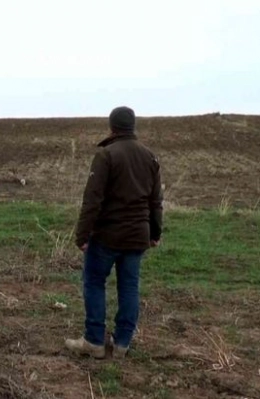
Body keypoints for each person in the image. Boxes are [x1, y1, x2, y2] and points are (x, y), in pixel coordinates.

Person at [66, 106, 163, 359]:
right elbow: (155, 201)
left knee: (95, 282)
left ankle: (94, 341)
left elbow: (92, 199)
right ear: (133, 126)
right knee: (129, 287)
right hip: (137, 237)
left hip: (107, 236)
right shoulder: (150, 157)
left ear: (112, 127)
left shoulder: (106, 155)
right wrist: (155, 232)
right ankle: (122, 344)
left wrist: (82, 234)